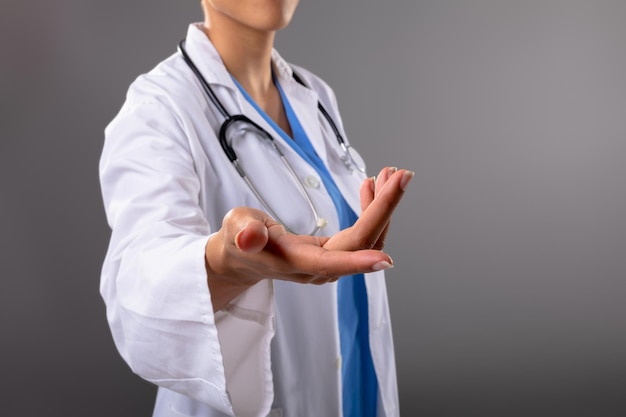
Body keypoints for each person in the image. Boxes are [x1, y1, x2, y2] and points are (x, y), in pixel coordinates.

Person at [99, 1, 413, 416]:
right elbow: (138, 279)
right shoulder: (158, 107)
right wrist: (223, 263)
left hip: (355, 391)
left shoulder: (314, 95)